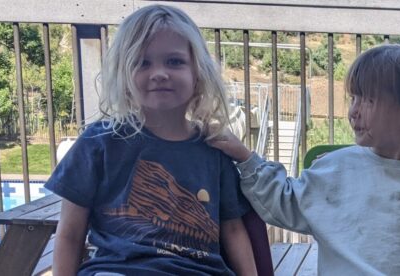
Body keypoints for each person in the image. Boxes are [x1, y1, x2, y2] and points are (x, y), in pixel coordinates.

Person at [47, 5, 260, 275]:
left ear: (198, 73)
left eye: (175, 61)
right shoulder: (99, 143)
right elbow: (69, 233)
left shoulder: (214, 149)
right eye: (142, 62)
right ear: (124, 75)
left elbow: (233, 230)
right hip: (118, 270)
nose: (159, 73)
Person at [208, 44, 400, 275]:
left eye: (368, 100)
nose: (353, 111)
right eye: (353, 98)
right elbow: (285, 201)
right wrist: (245, 157)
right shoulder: (337, 168)